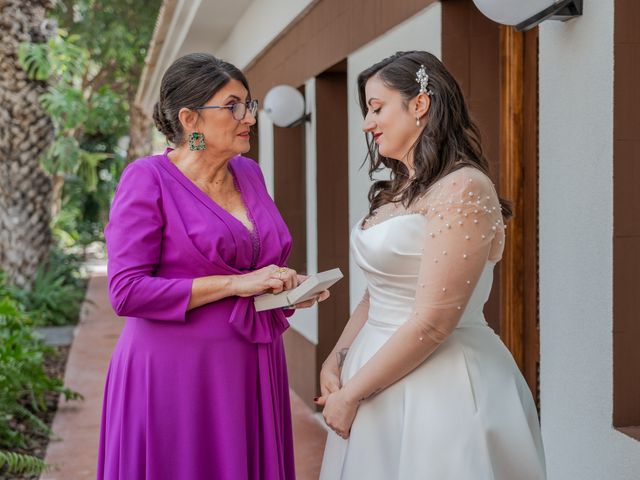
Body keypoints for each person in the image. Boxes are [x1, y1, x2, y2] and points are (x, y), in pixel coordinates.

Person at [97, 52, 328, 480]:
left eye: (249, 104)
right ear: (190, 119)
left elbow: (260, 262)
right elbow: (126, 291)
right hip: (176, 372)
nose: (249, 118)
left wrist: (285, 287)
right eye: (234, 106)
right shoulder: (147, 178)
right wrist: (236, 285)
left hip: (252, 364)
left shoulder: (249, 172)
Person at [317, 51, 546, 479]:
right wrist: (337, 360)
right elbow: (375, 293)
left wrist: (351, 396)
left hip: (443, 384)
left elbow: (433, 324)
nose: (367, 123)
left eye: (376, 107)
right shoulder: (397, 190)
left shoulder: (463, 187)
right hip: (374, 377)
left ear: (419, 105)